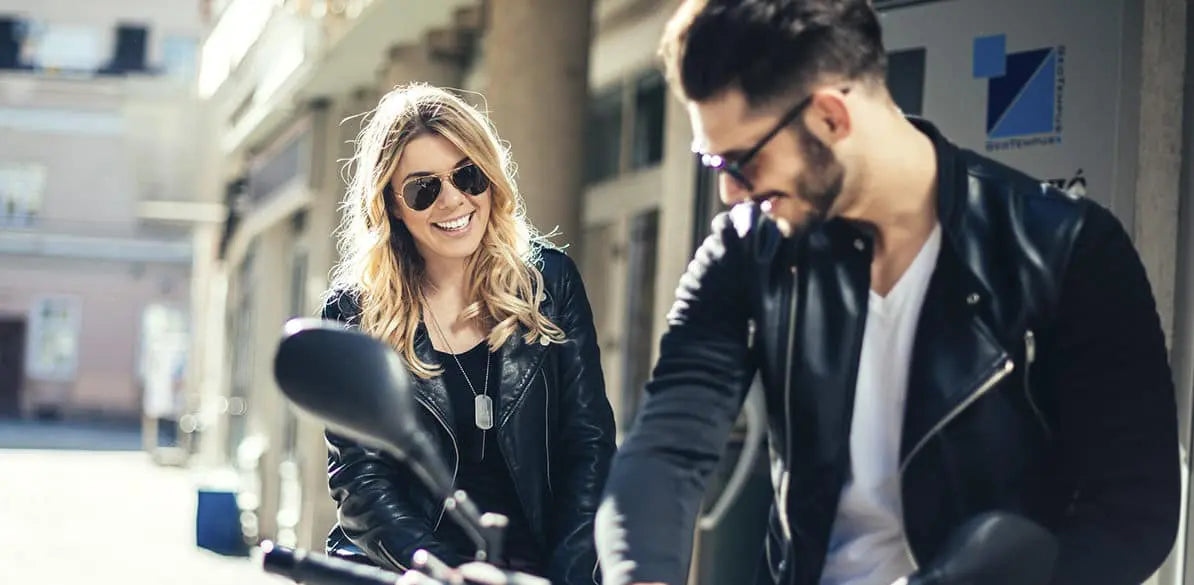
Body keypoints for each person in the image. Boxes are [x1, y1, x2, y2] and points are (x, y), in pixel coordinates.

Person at [594, 2, 1180, 585]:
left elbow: (1134, 511)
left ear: (830, 116)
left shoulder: (1068, 247)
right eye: (711, 161)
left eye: (741, 160)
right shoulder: (746, 249)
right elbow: (669, 442)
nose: (727, 191)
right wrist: (641, 575)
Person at [320, 83, 615, 585]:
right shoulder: (355, 310)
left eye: (468, 176)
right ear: (391, 204)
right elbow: (361, 480)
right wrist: (448, 573)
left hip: (535, 572)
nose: (453, 200)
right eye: (423, 188)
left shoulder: (550, 284)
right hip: (414, 571)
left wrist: (567, 577)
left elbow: (587, 445)